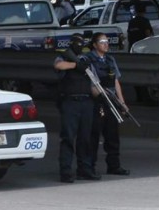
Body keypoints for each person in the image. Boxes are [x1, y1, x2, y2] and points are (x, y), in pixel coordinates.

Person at [54, 34, 100, 183]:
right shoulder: (64, 57)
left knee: (85, 138)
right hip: (70, 102)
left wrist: (102, 94)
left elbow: (94, 84)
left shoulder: (87, 61)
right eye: (77, 43)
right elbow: (58, 66)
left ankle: (84, 169)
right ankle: (65, 171)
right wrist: (75, 65)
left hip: (86, 102)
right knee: (68, 137)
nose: (80, 46)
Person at [85, 32, 130, 176]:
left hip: (111, 100)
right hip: (96, 100)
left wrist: (121, 102)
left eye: (107, 41)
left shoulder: (110, 59)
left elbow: (115, 81)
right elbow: (89, 82)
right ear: (94, 44)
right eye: (102, 41)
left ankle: (114, 165)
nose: (106, 44)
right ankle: (89, 166)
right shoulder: (88, 60)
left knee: (112, 135)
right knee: (93, 135)